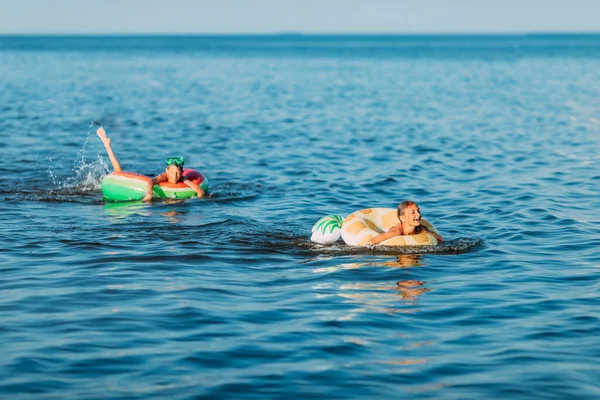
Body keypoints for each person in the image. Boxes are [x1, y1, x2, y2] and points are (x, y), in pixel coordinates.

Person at [96, 127, 204, 202]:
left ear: (181, 172)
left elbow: (198, 189)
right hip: (148, 187)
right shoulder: (164, 176)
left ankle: (108, 146)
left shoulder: (183, 178)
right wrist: (149, 195)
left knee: (119, 172)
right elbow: (151, 181)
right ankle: (108, 146)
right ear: (167, 170)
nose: (174, 176)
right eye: (172, 173)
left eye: (177, 173)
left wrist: (200, 198)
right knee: (118, 173)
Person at [366, 200, 444, 245]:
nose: (418, 214)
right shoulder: (396, 232)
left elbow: (441, 239)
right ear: (403, 218)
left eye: (418, 211)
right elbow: (371, 242)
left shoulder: (421, 229)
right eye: (413, 212)